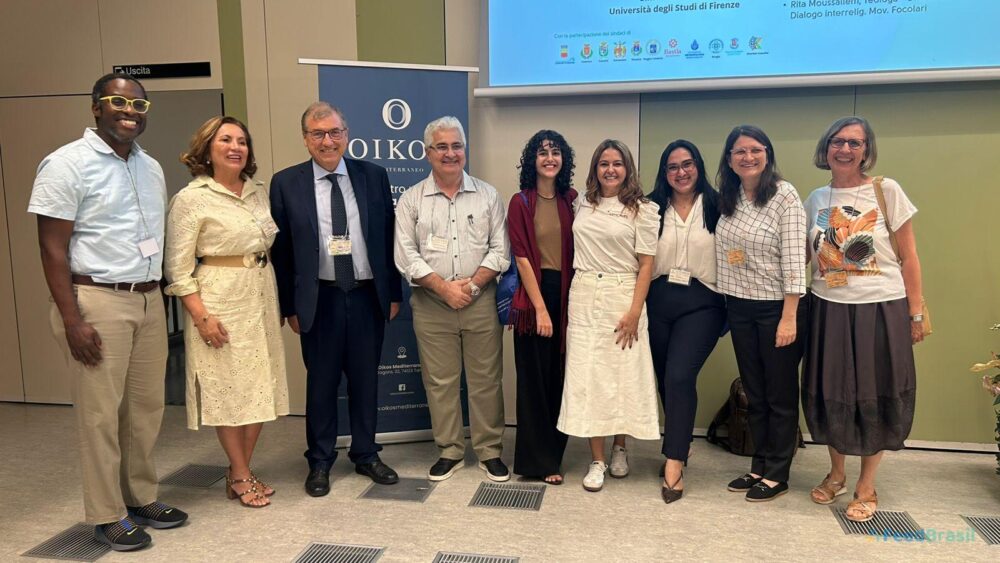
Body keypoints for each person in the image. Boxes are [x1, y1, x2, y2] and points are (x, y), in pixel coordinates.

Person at [28, 72, 187, 551]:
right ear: (96, 107)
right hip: (95, 300)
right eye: (118, 102)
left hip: (148, 299)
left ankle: (140, 497)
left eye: (138, 105)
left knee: (144, 409)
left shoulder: (150, 167)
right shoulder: (66, 164)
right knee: (100, 415)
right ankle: (107, 514)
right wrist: (72, 320)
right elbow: (51, 248)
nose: (129, 112)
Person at [270, 102, 402, 497]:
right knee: (321, 384)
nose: (327, 141)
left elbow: (388, 237)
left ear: (346, 135)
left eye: (334, 132)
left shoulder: (373, 175)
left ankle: (365, 453)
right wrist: (289, 306)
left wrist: (393, 293)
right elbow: (281, 252)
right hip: (319, 299)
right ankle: (320, 460)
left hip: (366, 296)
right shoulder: (285, 183)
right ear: (305, 139)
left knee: (365, 380)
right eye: (318, 134)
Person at [802, 116, 925, 522]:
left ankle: (866, 485)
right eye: (838, 141)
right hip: (828, 306)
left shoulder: (886, 191)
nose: (845, 149)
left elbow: (909, 257)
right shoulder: (816, 198)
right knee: (831, 390)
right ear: (826, 148)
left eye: (855, 143)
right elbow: (803, 256)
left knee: (875, 391)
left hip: (880, 306)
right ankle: (836, 473)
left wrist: (915, 312)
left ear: (866, 150)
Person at [164, 116, 289, 508]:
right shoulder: (191, 199)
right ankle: (240, 473)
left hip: (261, 296)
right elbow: (177, 269)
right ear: (207, 148)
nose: (236, 147)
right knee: (229, 390)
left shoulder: (257, 192)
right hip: (220, 301)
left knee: (260, 386)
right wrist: (201, 316)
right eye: (226, 140)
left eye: (242, 141)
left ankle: (240, 471)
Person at [394, 116, 510, 482]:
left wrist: (471, 287)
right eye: (441, 147)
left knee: (486, 379)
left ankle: (490, 451)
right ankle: (450, 451)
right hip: (431, 303)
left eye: (456, 146)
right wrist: (444, 289)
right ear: (427, 152)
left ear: (465, 150)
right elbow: (405, 255)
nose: (450, 153)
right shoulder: (411, 200)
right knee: (440, 381)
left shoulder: (488, 195)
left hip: (481, 300)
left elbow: (500, 250)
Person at [556, 139, 660, 493]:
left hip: (623, 296)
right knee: (589, 378)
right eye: (604, 164)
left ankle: (620, 448)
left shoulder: (643, 210)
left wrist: (634, 312)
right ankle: (597, 459)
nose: (610, 170)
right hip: (584, 294)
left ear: (627, 169)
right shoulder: (581, 203)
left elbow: (646, 265)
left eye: (617, 163)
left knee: (622, 377)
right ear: (595, 169)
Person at [715, 125, 807, 502]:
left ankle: (778, 472)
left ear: (767, 154)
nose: (748, 157)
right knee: (755, 392)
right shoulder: (730, 196)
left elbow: (795, 259)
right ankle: (759, 465)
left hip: (777, 308)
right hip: (739, 306)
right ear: (729, 159)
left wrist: (789, 316)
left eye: (755, 150)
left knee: (779, 393)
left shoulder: (784, 195)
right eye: (739, 151)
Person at [646, 140, 726, 503]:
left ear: (699, 166)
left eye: (688, 164)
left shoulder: (719, 205)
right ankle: (680, 443)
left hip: (703, 302)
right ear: (665, 172)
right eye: (673, 166)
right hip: (657, 299)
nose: (681, 172)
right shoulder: (649, 207)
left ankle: (674, 462)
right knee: (666, 378)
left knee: (680, 375)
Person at [507, 130, 578, 485]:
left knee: (559, 379)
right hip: (535, 297)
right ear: (532, 160)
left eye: (555, 152)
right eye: (542, 152)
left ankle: (554, 454)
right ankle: (537, 461)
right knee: (534, 381)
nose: (549, 158)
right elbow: (521, 257)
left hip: (569, 295)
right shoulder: (521, 201)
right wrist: (541, 309)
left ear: (564, 159)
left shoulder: (572, 200)